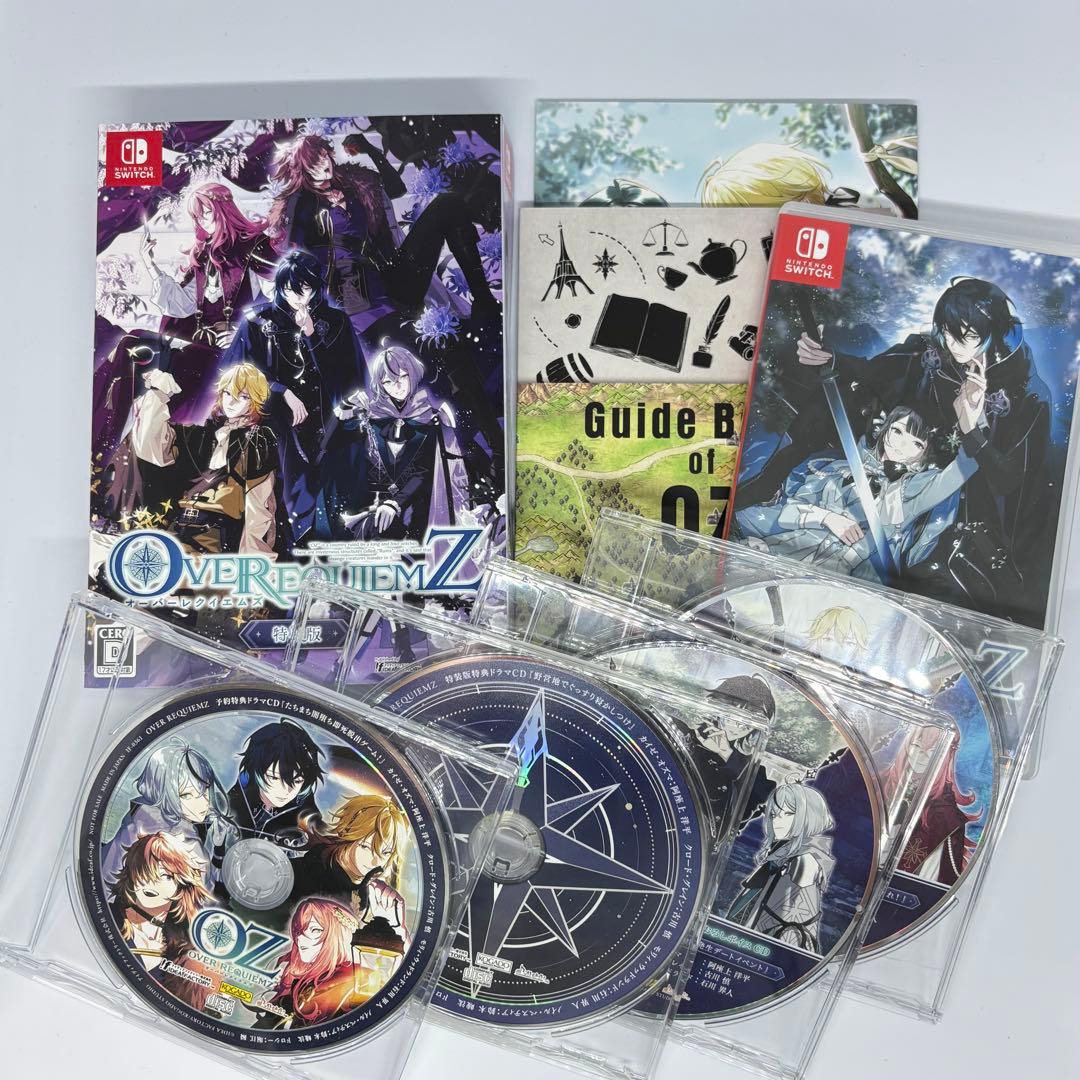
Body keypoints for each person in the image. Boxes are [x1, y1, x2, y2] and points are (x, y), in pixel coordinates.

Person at [741, 278, 1052, 624]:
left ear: (992, 331)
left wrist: (972, 431)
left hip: (961, 485)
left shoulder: (1025, 393)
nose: (953, 344)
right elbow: (876, 370)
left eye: (966, 336)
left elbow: (1009, 479)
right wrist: (833, 358)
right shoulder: (930, 350)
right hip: (901, 457)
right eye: (948, 332)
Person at [736, 395, 987, 585]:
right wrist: (827, 518)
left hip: (842, 581)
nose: (902, 445)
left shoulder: (913, 493)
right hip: (788, 550)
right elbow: (789, 510)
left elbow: (963, 468)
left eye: (916, 443)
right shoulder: (841, 467)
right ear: (885, 430)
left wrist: (973, 427)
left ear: (924, 453)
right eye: (897, 431)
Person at [268, 133, 499, 337]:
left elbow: (396, 188)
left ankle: (484, 302)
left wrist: (370, 149)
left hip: (392, 276)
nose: (323, 164)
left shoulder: (353, 181)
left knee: (448, 204)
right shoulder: (301, 203)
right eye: (314, 161)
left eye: (324, 156)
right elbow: (294, 257)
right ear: (303, 168)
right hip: (352, 295)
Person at [225, 251, 367, 542]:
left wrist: (312, 335)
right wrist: (282, 392)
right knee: (286, 491)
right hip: (277, 422)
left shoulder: (336, 321)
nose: (295, 296)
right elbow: (241, 374)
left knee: (331, 495)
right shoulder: (258, 321)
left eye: (303, 288)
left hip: (330, 422)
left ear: (316, 287)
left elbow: (349, 375)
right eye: (288, 288)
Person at [131, 362, 283, 555]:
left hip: (216, 538)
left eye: (243, 396)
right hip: (179, 529)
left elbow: (258, 509)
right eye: (228, 393)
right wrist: (158, 394)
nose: (232, 401)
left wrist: (254, 560)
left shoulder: (258, 441)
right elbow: (151, 448)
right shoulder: (201, 435)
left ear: (255, 401)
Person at [346, 344, 470, 542]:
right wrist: (347, 406)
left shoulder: (428, 415)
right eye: (388, 381)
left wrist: (395, 503)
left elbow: (423, 471)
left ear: (412, 373)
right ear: (381, 384)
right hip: (376, 502)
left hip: (420, 503)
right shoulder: (374, 413)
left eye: (403, 377)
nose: (397, 387)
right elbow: (336, 444)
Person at [102, 739, 237, 899]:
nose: (203, 802)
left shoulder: (169, 823)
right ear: (162, 792)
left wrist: (218, 848)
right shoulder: (163, 839)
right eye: (186, 795)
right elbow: (207, 896)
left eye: (204, 790)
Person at [291, 795, 411, 951]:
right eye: (365, 847)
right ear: (348, 836)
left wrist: (396, 926)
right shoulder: (305, 873)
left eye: (386, 853)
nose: (375, 861)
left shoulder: (371, 893)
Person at [110, 832, 216, 1007]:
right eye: (145, 871)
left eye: (166, 876)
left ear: (182, 885)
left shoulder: (185, 951)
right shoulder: (108, 917)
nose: (151, 882)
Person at [727, 783, 836, 952]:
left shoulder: (804, 860)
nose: (777, 821)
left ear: (809, 817)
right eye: (774, 814)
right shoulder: (783, 853)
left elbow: (789, 917)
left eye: (788, 814)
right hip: (751, 941)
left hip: (769, 945)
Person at [254, 898, 364, 1028]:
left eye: (315, 930)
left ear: (339, 934)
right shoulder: (300, 982)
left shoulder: (352, 980)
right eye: (299, 931)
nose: (300, 938)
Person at [227, 719, 325, 857]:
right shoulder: (235, 799)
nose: (285, 791)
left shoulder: (307, 819)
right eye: (273, 777)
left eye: (297, 780)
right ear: (256, 772)